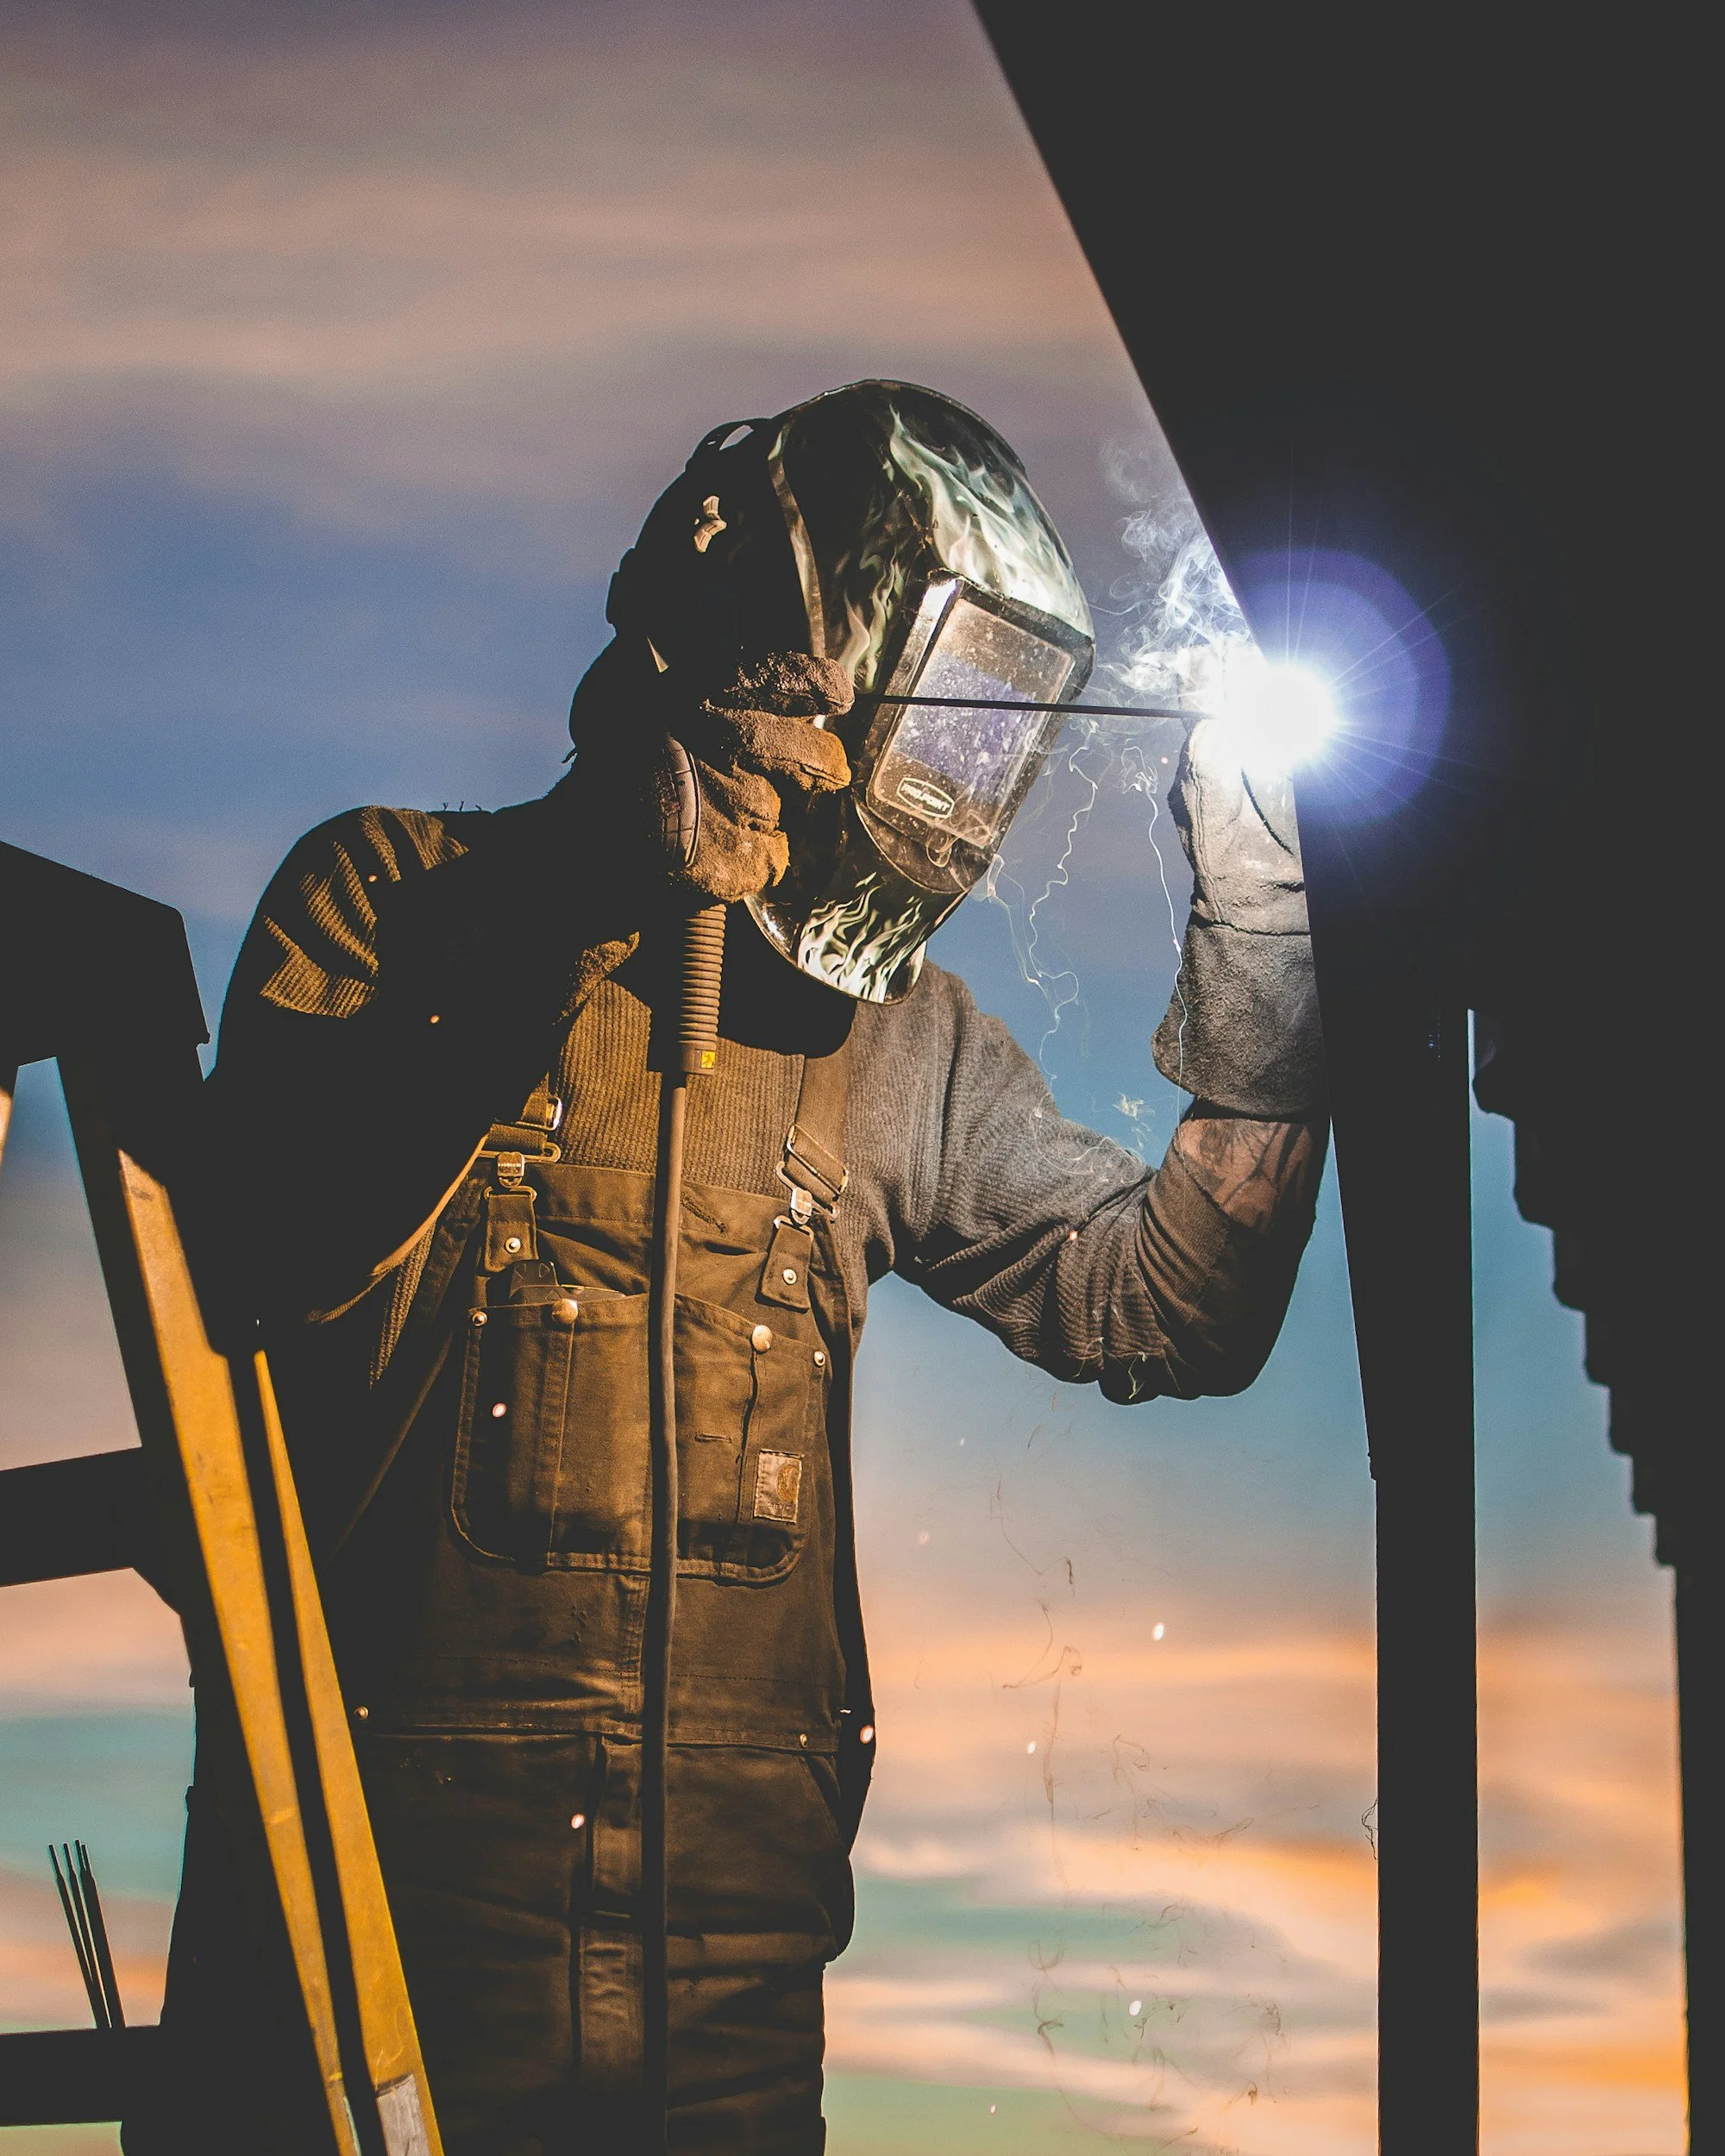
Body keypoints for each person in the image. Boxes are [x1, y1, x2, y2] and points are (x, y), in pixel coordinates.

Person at [131, 383, 1327, 2155]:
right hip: (360, 1997)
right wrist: (581, 911)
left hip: (731, 2031)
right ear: (782, 633)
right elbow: (267, 1247)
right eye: (948, 699)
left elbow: (1174, 1306)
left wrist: (1272, 975)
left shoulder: (895, 1045)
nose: (960, 770)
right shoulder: (387, 898)